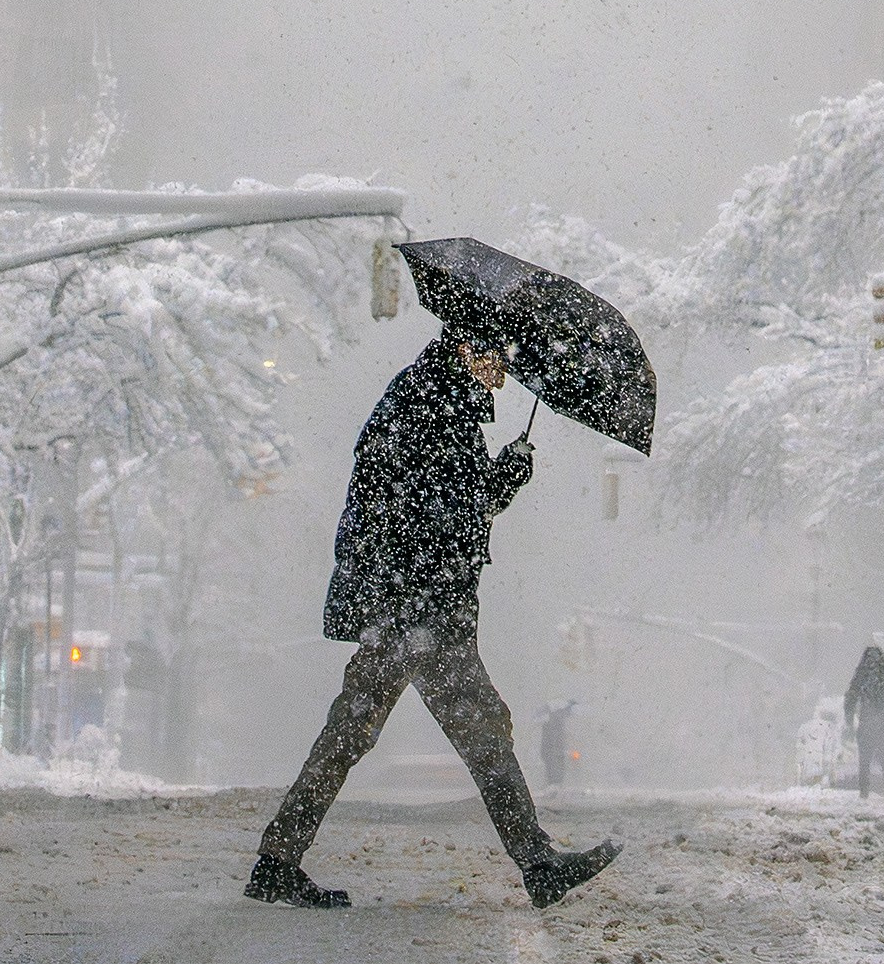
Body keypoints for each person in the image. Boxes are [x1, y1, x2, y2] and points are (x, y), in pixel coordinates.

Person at [246, 326, 620, 910]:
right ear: (467, 349)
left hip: (405, 604)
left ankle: (277, 859)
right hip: (420, 606)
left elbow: (453, 505)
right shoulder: (428, 407)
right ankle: (537, 862)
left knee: (352, 730)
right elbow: (434, 516)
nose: (502, 373)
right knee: (482, 731)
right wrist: (492, 489)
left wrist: (503, 478)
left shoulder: (436, 403)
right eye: (496, 357)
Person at [843, 645, 884, 801]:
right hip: (882, 725)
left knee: (865, 760)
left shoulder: (862, 675)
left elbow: (850, 699)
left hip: (868, 723)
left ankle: (865, 792)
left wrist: (850, 721)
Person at [538, 699, 578, 788]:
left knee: (555, 763)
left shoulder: (554, 723)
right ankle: (554, 784)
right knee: (554, 763)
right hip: (553, 750)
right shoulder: (554, 724)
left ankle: (554, 784)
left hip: (555, 750)